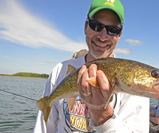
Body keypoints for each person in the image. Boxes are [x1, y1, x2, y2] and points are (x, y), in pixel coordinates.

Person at [33, 0, 149, 133]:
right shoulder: (60, 70)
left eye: (113, 30)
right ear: (85, 27)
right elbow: (42, 128)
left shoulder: (137, 88)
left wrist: (102, 114)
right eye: (96, 26)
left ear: (119, 35)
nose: (103, 37)